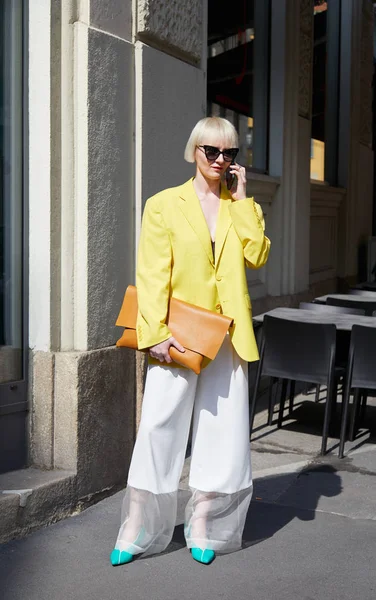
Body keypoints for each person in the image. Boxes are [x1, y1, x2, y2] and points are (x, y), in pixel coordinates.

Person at [110, 116, 271, 567]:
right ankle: (138, 526)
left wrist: (241, 201)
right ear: (194, 151)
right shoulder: (163, 205)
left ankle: (204, 524)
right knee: (160, 427)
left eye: (231, 154)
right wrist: (155, 332)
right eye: (212, 152)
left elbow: (257, 254)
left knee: (221, 434)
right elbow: (152, 272)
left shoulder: (242, 206)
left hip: (229, 334)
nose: (221, 161)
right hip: (178, 334)